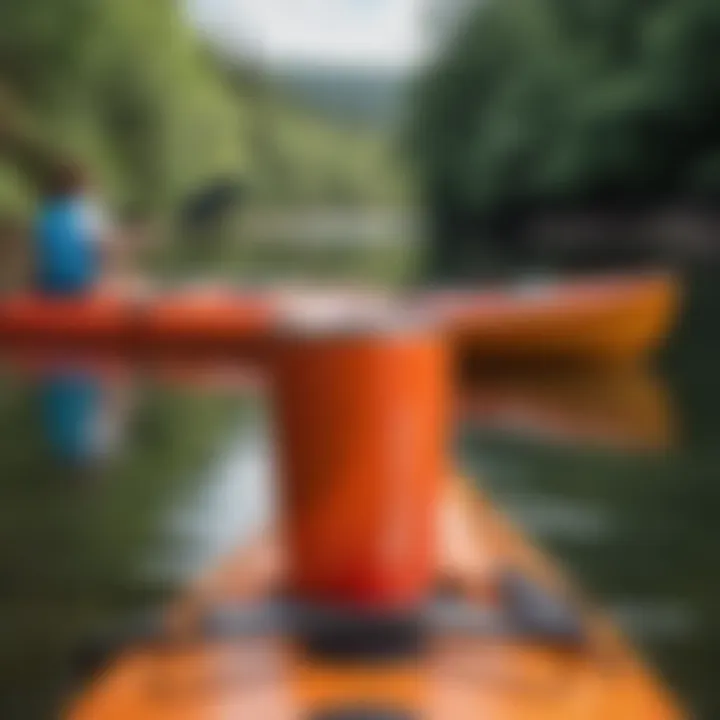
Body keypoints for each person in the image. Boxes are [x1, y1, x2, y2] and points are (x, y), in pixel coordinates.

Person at [34, 161, 120, 296]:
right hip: (81, 287)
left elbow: (40, 254)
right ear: (82, 184)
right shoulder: (87, 209)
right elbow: (105, 251)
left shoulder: (44, 212)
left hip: (49, 286)